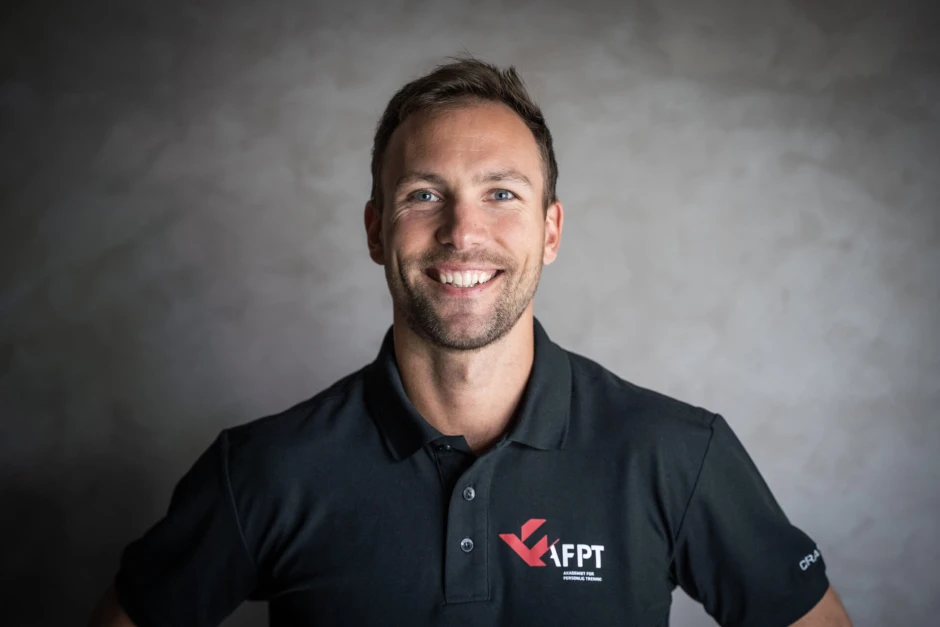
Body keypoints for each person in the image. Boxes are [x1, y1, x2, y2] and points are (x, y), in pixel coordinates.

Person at [89, 56, 853, 627]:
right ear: (375, 230)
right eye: (424, 194)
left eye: (501, 193)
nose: (462, 231)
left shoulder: (675, 454)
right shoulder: (265, 469)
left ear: (550, 230)